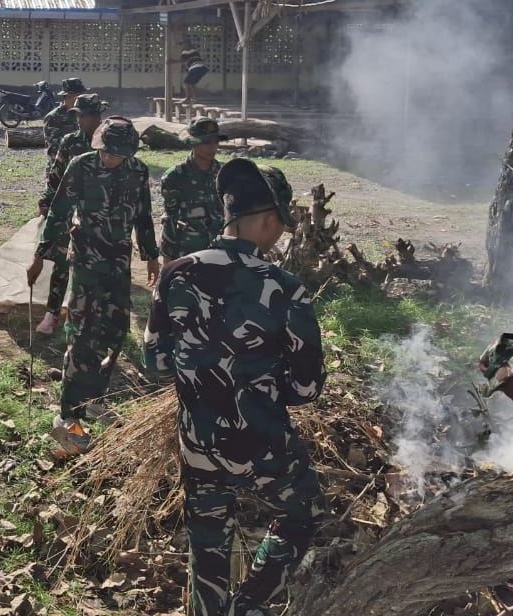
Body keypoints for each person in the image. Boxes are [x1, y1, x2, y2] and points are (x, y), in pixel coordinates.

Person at [144, 158, 325, 616]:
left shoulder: (175, 273)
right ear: (267, 221)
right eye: (281, 224)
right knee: (303, 510)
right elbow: (306, 389)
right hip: (263, 441)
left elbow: (156, 361)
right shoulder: (284, 287)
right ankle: (249, 604)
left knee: (207, 545)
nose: (281, 233)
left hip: (197, 440)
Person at [27, 116, 159, 453]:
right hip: (85, 259)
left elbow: (143, 214)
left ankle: (97, 400)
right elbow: (58, 211)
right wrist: (40, 255)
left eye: (117, 154)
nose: (109, 158)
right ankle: (69, 417)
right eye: (106, 152)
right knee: (82, 334)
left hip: (118, 261)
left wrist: (151, 255)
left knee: (114, 330)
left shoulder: (137, 171)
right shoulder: (81, 165)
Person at [36, 93, 108, 335]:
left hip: (100, 214)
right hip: (70, 211)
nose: (79, 120)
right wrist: (46, 200)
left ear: (96, 117)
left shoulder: (112, 142)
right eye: (77, 116)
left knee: (98, 264)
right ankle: (52, 313)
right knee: (61, 261)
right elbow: (55, 177)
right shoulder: (69, 142)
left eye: (83, 116)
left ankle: (94, 316)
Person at [159, 116, 225, 261]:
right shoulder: (175, 176)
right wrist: (167, 259)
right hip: (187, 254)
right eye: (206, 142)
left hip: (220, 251)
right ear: (193, 144)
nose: (213, 147)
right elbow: (170, 219)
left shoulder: (224, 173)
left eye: (216, 141)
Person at [42, 77, 87, 163]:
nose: (84, 98)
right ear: (69, 96)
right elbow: (55, 147)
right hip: (60, 167)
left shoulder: (83, 114)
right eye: (80, 95)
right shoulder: (53, 117)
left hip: (80, 166)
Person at [180, 39, 210, 104]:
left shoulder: (185, 51)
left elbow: (182, 60)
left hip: (196, 67)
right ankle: (195, 98)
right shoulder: (194, 50)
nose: (183, 46)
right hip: (202, 68)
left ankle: (188, 98)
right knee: (191, 83)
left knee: (186, 82)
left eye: (183, 44)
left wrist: (171, 61)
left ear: (186, 45)